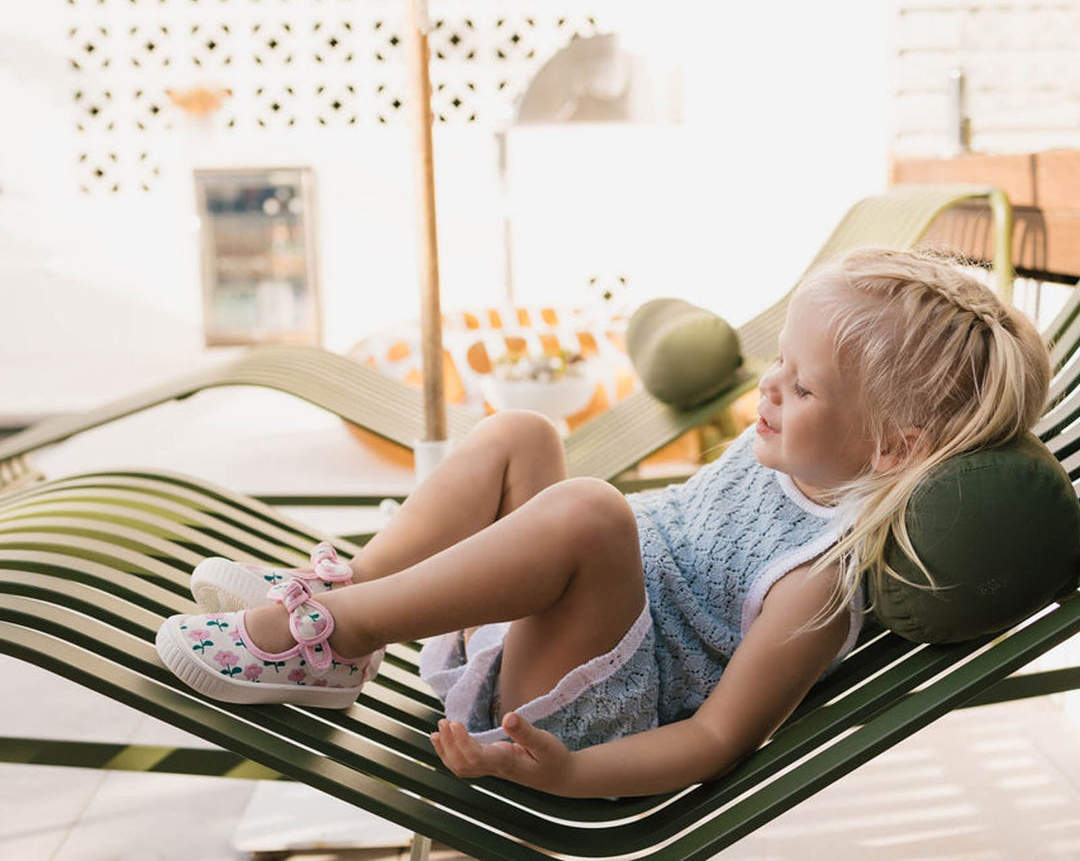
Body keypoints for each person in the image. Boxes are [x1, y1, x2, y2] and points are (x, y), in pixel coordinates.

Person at [155, 247, 1051, 799]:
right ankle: (348, 605)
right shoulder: (786, 458)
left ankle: (327, 632)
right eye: (781, 363)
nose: (768, 386)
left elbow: (717, 738)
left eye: (803, 385)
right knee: (522, 435)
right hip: (566, 622)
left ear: (893, 448)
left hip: (585, 712)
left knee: (589, 509)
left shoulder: (815, 582)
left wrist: (570, 772)